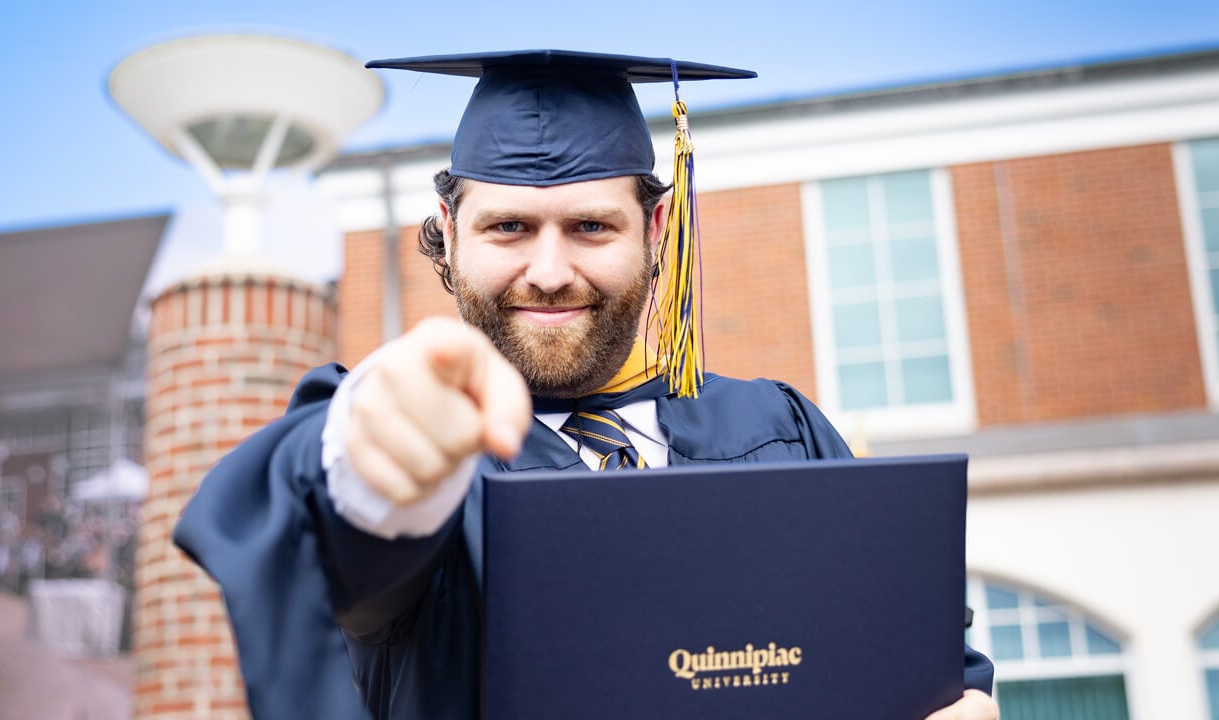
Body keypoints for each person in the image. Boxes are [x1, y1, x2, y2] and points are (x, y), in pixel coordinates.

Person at [175, 50, 997, 720]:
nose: (550, 271)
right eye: (509, 228)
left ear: (655, 229)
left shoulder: (779, 429)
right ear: (451, 233)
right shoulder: (424, 454)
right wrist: (365, 446)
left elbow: (918, 655)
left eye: (590, 227)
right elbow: (334, 520)